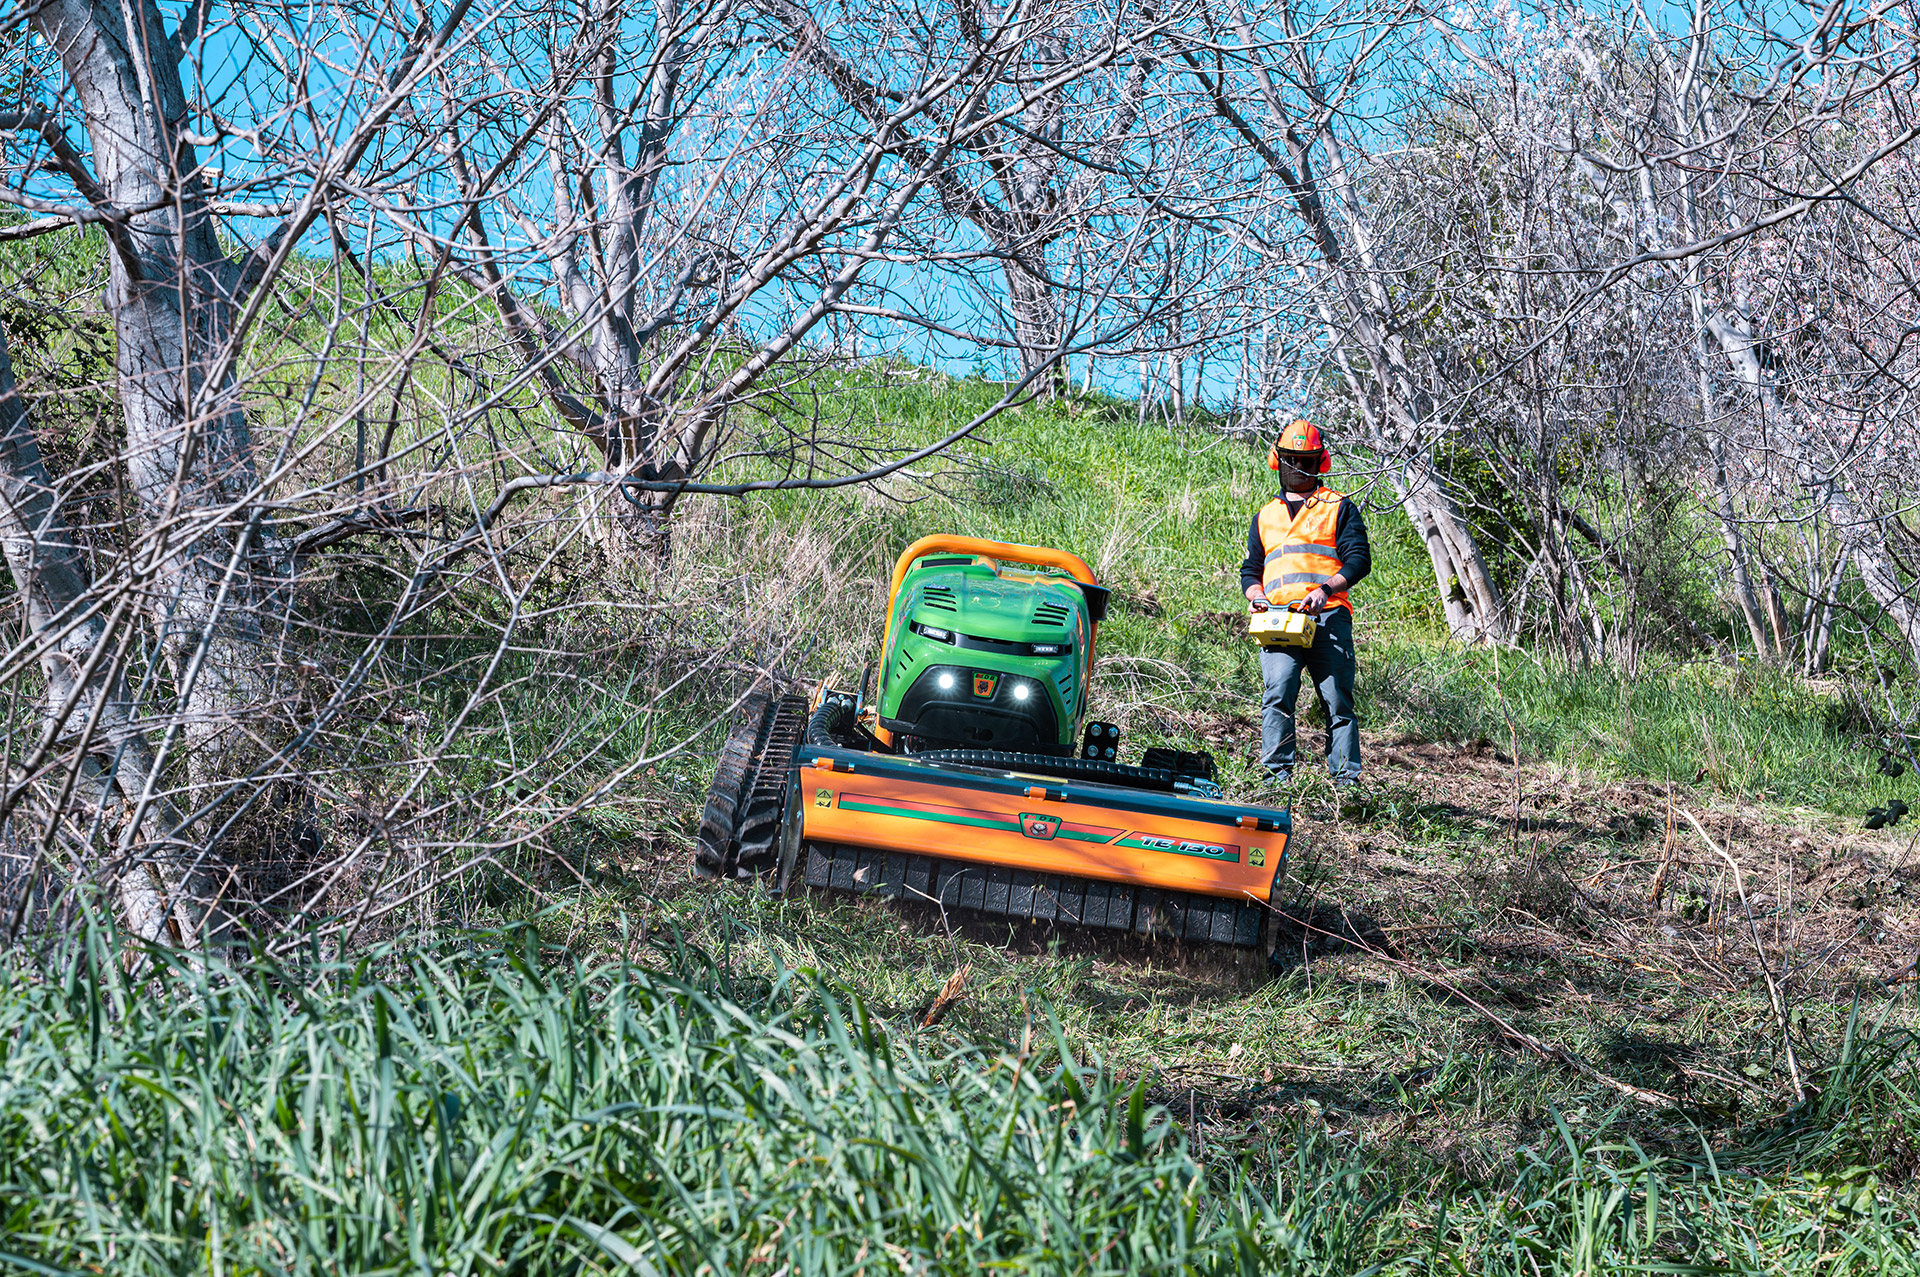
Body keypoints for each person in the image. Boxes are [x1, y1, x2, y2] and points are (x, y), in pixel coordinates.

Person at [1239, 419, 1371, 788]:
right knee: (1278, 694)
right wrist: (1257, 597)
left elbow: (1359, 559)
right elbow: (1251, 569)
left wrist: (1325, 590)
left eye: (1307, 461)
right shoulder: (1265, 516)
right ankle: (1275, 780)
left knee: (1337, 701)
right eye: (1291, 459)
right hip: (1279, 620)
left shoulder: (1338, 507)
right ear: (1277, 460)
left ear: (1321, 463)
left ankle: (1346, 784)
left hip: (1327, 618)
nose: (1298, 468)